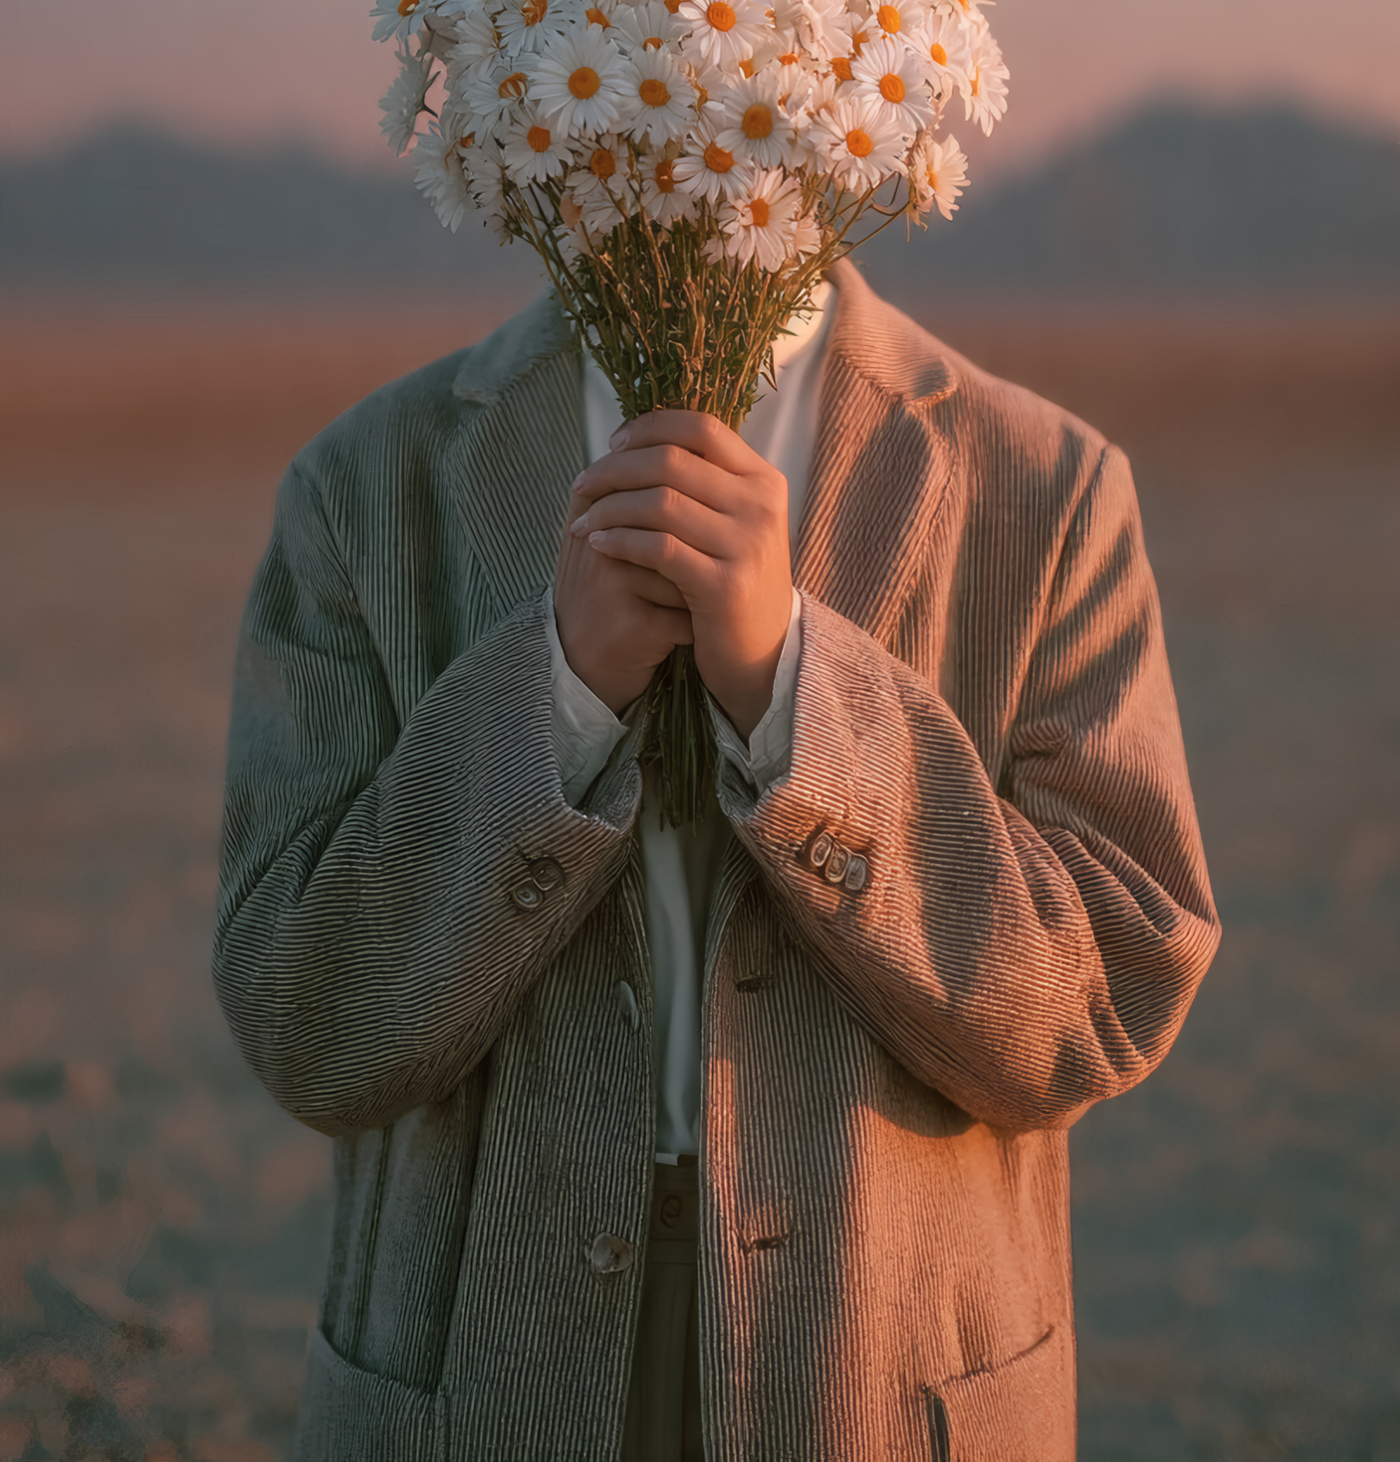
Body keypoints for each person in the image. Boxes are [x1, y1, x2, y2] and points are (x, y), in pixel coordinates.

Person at [213, 257, 1219, 1462]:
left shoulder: (1048, 487)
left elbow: (1105, 994)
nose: (691, 63)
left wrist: (794, 691)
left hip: (882, 1382)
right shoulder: (361, 482)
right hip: (472, 1384)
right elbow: (304, 1018)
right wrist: (554, 693)